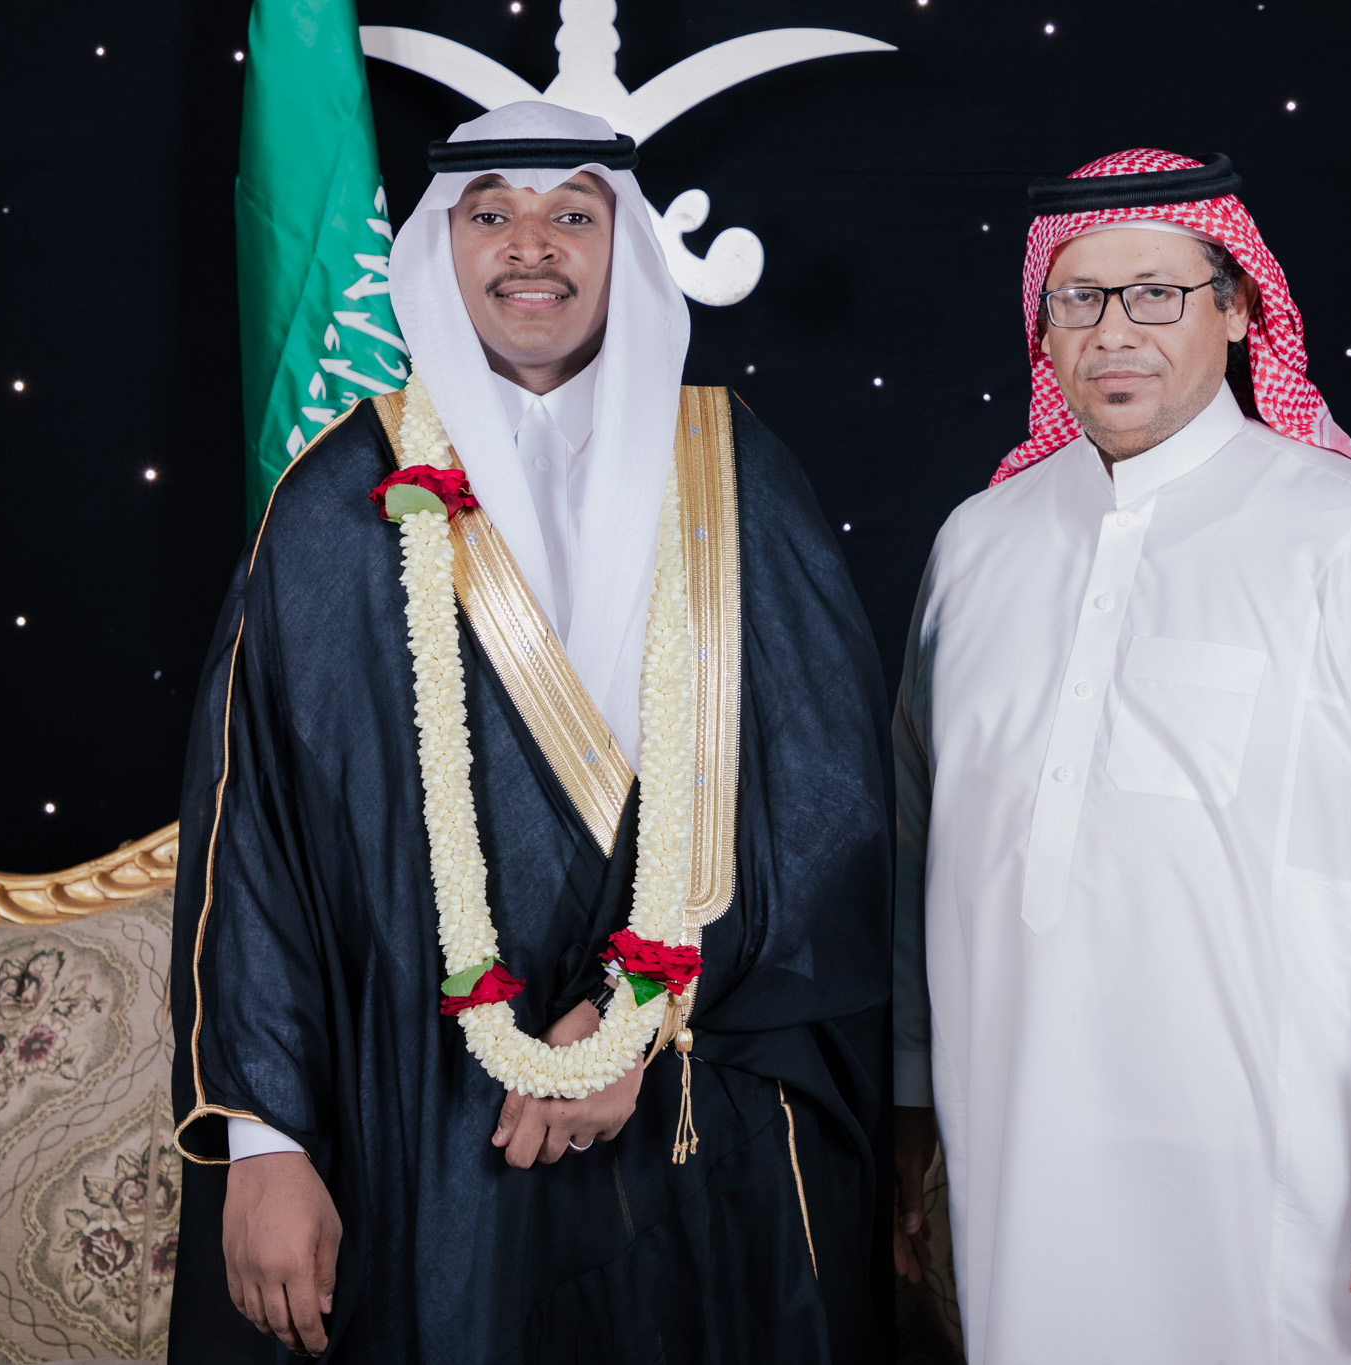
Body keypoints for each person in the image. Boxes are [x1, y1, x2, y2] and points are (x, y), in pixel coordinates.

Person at [168, 102, 892, 1364]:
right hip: (423, 1115)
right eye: (490, 214)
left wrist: (638, 1020)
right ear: (439, 251)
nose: (530, 246)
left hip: (692, 1098)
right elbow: (258, 841)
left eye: (572, 214)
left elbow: (829, 804)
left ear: (626, 247)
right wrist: (266, 1141)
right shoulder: (339, 497)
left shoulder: (732, 473)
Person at [889, 149, 1351, 1363]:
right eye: (1078, 298)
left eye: (1156, 293)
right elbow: (917, 847)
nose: (1113, 332)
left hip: (1290, 1165)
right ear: (1040, 324)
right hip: (1020, 1140)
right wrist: (908, 1101)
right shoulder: (976, 546)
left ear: (1237, 311)